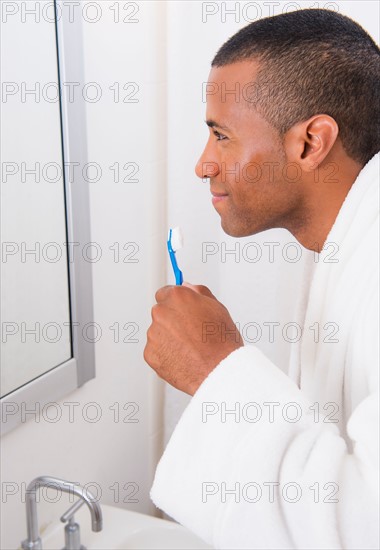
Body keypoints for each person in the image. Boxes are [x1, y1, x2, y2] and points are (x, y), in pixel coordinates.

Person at [143, 8, 379, 549]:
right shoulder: (339, 248)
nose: (203, 165)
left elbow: (367, 522)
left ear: (309, 142)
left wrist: (215, 371)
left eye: (221, 135)